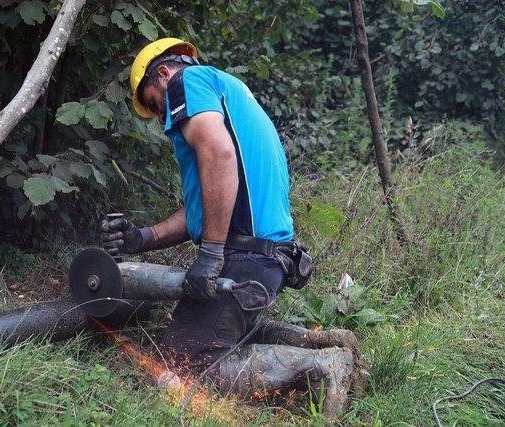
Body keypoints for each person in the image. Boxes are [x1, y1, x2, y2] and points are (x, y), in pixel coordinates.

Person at [100, 38, 363, 417]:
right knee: (216, 334)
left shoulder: (186, 83)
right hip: (262, 259)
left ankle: (318, 369)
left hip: (245, 258)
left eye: (154, 104)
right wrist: (143, 238)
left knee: (182, 365)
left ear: (162, 73)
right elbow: (205, 205)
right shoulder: (227, 89)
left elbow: (219, 154)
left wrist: (210, 254)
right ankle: (318, 343)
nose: (161, 118)